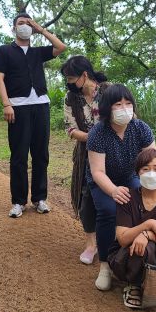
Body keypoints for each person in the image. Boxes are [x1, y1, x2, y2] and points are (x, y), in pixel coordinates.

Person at [87, 84, 156, 291]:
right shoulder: (98, 133)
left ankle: (139, 254)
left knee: (142, 203)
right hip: (104, 179)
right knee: (108, 210)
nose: (124, 108)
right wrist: (113, 190)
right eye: (118, 104)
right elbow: (98, 172)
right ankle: (105, 265)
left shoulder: (141, 128)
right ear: (107, 108)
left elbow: (153, 160)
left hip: (131, 176)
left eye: (128, 103)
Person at [0, 12, 66, 218]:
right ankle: (18, 201)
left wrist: (41, 29)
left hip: (41, 106)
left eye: (27, 23)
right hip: (17, 107)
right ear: (14, 28)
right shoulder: (4, 51)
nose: (24, 26)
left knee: (41, 154)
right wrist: (6, 104)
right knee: (19, 155)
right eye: (20, 23)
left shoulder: (37, 52)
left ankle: (40, 198)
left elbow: (61, 47)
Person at [108, 149, 156, 309]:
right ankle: (133, 284)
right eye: (145, 169)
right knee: (143, 247)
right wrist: (148, 224)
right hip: (126, 254)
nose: (151, 173)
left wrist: (146, 235)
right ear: (138, 173)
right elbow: (122, 239)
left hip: (155, 244)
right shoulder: (127, 197)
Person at [61, 56, 109, 265]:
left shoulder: (108, 91)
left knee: (112, 196)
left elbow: (125, 116)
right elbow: (71, 129)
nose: (69, 82)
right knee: (86, 196)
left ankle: (113, 241)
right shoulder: (70, 98)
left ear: (84, 75)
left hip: (112, 153)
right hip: (86, 155)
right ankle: (91, 244)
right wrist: (94, 138)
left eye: (71, 78)